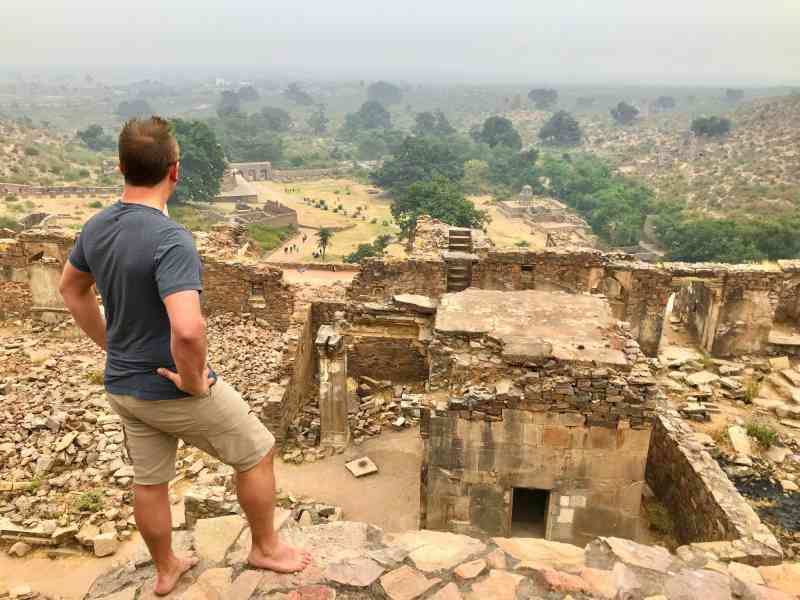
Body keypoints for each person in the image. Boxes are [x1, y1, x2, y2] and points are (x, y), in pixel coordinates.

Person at [58, 117, 310, 596]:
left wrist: (110, 344)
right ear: (175, 170)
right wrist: (194, 381)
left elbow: (71, 289)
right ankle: (266, 547)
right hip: (168, 385)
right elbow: (189, 329)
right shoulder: (170, 239)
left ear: (120, 167)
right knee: (257, 451)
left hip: (123, 386)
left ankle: (166, 567)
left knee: (150, 482)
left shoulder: (96, 227)